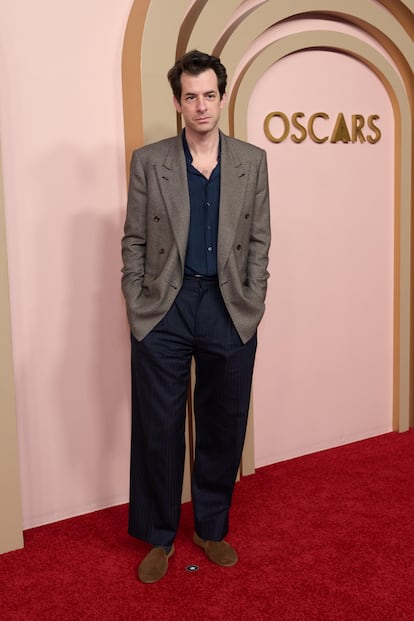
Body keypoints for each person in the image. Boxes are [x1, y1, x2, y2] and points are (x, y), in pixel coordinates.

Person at [121, 49, 271, 584]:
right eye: (191, 96)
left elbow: (258, 240)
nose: (201, 105)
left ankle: (210, 526)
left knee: (223, 421)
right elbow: (134, 238)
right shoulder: (150, 160)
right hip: (165, 306)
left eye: (210, 94)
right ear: (178, 102)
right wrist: (137, 301)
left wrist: (254, 299)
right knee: (158, 426)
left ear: (222, 97)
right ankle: (159, 536)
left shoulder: (251, 161)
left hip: (229, 306)